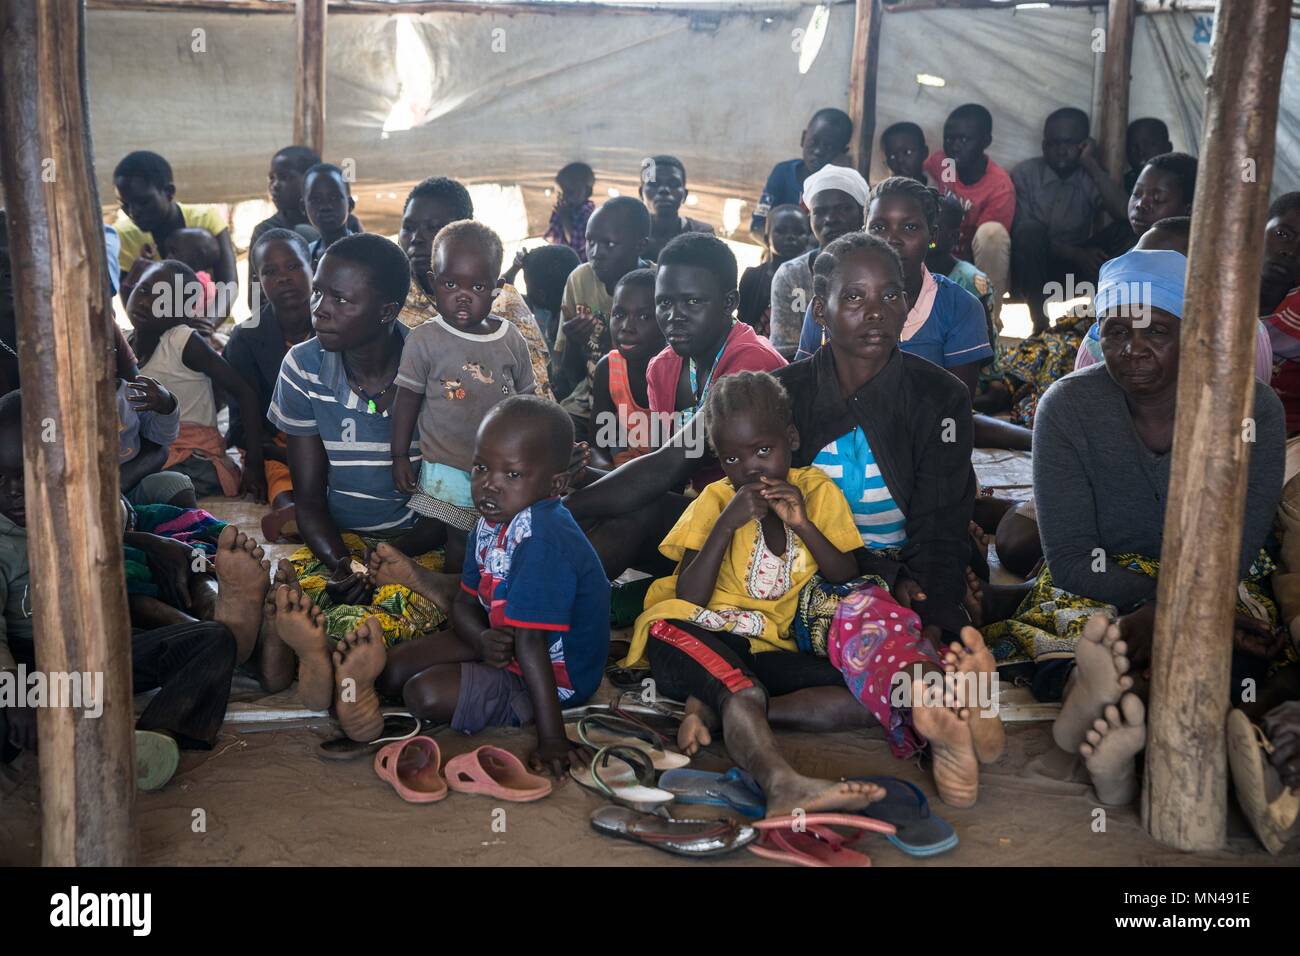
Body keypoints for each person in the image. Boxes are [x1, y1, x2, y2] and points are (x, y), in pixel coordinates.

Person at [569, 233, 977, 653]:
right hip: (764, 556)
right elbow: (669, 462)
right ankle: (542, 614)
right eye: (854, 297)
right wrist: (563, 510)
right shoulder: (778, 392)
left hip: (840, 571)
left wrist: (930, 606)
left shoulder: (939, 397)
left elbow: (941, 527)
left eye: (891, 295)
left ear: (907, 304)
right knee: (638, 516)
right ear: (820, 310)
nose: (875, 312)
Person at [983, 249, 1286, 718]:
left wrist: (1168, 609)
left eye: (1158, 332)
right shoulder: (1067, 408)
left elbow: (1232, 554)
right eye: (1117, 332)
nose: (1133, 349)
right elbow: (1070, 560)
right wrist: (1154, 606)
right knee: (1084, 646)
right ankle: (1118, 712)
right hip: (1102, 582)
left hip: (1213, 583)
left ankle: (1138, 715)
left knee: (1230, 651)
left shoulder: (1252, 411)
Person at [341, 397, 611, 772]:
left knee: (424, 693)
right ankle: (364, 690)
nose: (489, 486)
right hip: (501, 641)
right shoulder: (489, 523)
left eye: (512, 475)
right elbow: (467, 604)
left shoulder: (542, 536)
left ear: (556, 484)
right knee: (392, 670)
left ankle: (521, 708)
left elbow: (531, 642)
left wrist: (552, 739)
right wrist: (480, 640)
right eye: (481, 468)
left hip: (553, 676)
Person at [0, 391, 247, 764]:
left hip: (91, 656)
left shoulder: (91, 510)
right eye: (0, 479)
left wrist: (151, 542)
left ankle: (156, 735)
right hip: (23, 666)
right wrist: (15, 693)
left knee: (212, 641)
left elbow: (122, 519)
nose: (13, 491)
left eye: (25, 474)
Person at [267, 233, 461, 667]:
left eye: (340, 299)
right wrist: (342, 564)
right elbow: (310, 500)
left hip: (418, 543)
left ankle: (326, 659)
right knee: (292, 592)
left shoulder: (437, 371)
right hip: (339, 540)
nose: (319, 309)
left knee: (416, 602)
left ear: (386, 312)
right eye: (319, 291)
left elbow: (448, 503)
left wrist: (390, 560)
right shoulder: (303, 367)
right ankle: (337, 656)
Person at [390, 220, 536, 571]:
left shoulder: (510, 338)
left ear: (496, 288)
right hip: (449, 464)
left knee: (500, 534)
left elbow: (528, 403)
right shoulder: (424, 340)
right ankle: (458, 595)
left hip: (502, 467)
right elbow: (407, 400)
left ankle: (489, 590)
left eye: (478, 285)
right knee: (459, 538)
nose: (462, 295)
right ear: (432, 281)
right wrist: (398, 455)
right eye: (450, 283)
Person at [646, 233, 787, 490]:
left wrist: (579, 490)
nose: (674, 316)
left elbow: (665, 467)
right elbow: (659, 466)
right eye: (665, 302)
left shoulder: (753, 364)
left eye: (693, 301)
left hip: (751, 504)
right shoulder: (661, 368)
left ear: (729, 303)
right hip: (694, 503)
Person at [396, 176, 554, 400]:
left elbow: (537, 394)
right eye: (408, 227)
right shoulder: (392, 298)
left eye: (433, 228)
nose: (416, 238)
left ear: (462, 230)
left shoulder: (503, 303)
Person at [127, 260, 267, 500]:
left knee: (152, 485)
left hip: (192, 456)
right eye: (143, 290)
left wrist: (254, 463)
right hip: (150, 450)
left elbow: (244, 393)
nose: (146, 302)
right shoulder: (124, 343)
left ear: (184, 313)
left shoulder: (183, 341)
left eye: (164, 300)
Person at [226, 229, 317, 541]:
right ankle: (289, 511)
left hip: (334, 435)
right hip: (276, 442)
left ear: (313, 267)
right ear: (259, 281)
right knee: (278, 474)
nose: (283, 278)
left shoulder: (338, 324)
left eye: (293, 267)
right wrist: (255, 458)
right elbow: (245, 408)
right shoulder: (246, 337)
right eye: (270, 271)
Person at [1011, 108, 1132, 334]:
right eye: (1052, 143)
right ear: (1043, 145)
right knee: (1030, 232)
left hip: (1073, 271)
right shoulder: (1025, 174)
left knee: (1125, 232)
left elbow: (1127, 215)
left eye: (1068, 143)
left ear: (1084, 144)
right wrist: (1075, 254)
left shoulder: (1088, 175)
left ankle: (1105, 326)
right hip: (1030, 270)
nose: (1060, 151)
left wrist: (1091, 164)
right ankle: (1040, 326)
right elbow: (1020, 232)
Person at [551, 197, 653, 439]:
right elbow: (568, 376)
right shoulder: (580, 279)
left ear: (640, 245)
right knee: (551, 435)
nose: (596, 253)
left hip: (644, 408)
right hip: (586, 404)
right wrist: (576, 342)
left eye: (609, 243)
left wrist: (611, 344)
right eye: (590, 241)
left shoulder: (658, 285)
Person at [113, 150, 238, 322]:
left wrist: (207, 327)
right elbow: (132, 307)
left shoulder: (205, 219)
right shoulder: (124, 236)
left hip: (215, 325)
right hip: (159, 337)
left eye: (143, 202)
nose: (134, 212)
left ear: (169, 192)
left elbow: (229, 286)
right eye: (125, 205)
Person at [922, 104, 1014, 330]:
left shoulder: (999, 186)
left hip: (974, 262)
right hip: (937, 251)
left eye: (964, 140)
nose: (954, 146)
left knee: (992, 234)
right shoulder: (945, 164)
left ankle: (988, 318)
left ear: (985, 141)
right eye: (949, 139)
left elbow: (991, 244)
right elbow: (919, 173)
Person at [768, 165, 867, 357]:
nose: (830, 219)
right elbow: (785, 352)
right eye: (820, 211)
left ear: (863, 213)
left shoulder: (879, 269)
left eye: (842, 209)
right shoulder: (791, 275)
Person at [589, 269, 664, 468]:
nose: (626, 326)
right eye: (619, 314)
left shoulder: (683, 371)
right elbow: (598, 445)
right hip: (628, 468)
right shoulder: (609, 368)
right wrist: (604, 470)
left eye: (644, 317)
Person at [750, 107, 853, 239]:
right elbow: (757, 226)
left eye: (828, 147)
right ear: (803, 138)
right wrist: (775, 247)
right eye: (813, 143)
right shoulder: (783, 173)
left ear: (842, 152)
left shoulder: (840, 189)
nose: (818, 152)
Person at [250, 145, 363, 251]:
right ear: (302, 206)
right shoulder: (266, 231)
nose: (275, 185)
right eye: (271, 178)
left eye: (284, 177)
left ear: (310, 179)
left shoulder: (347, 222)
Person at [738, 204, 811, 336]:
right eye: (781, 231)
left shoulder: (810, 280)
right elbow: (742, 320)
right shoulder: (753, 277)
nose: (790, 237)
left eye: (798, 231)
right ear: (766, 239)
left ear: (807, 238)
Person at [639, 155, 714, 261]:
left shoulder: (701, 234)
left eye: (673, 184)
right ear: (641, 193)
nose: (664, 190)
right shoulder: (628, 233)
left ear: (685, 195)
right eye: (654, 183)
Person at [518, 244, 580, 349]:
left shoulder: (543, 313)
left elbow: (502, 294)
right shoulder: (576, 309)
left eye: (527, 285)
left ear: (541, 295)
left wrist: (514, 269)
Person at [302, 163, 359, 269]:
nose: (325, 206)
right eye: (316, 199)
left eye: (334, 198)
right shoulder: (303, 259)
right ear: (303, 207)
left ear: (350, 204)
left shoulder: (368, 254)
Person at [544, 161, 596, 261]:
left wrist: (564, 217)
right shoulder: (564, 208)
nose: (564, 197)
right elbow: (552, 237)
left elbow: (575, 244)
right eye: (559, 194)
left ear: (588, 192)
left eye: (570, 192)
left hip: (578, 264)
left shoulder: (587, 212)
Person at [1123, 118, 1174, 193]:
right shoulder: (1125, 182)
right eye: (1133, 146)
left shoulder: (1180, 180)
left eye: (1149, 144)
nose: (1141, 152)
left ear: (1168, 147)